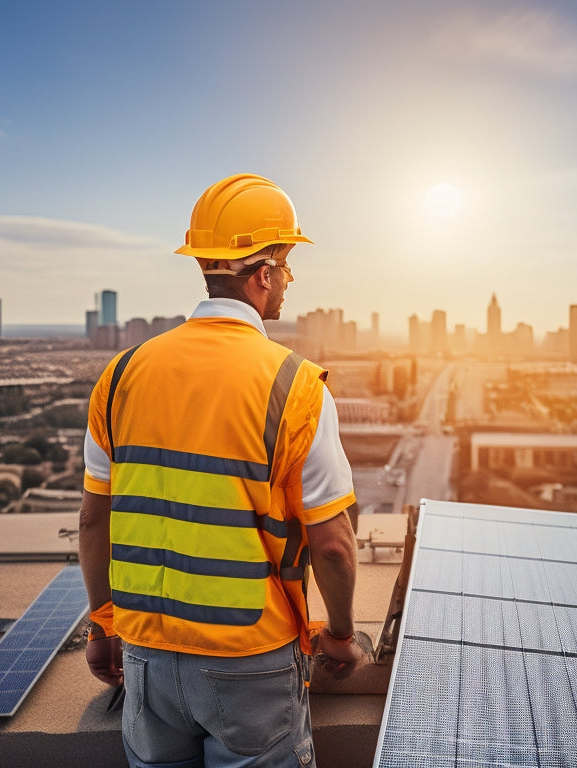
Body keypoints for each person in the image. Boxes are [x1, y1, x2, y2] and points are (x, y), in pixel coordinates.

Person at [79, 173, 367, 768]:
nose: (288, 282)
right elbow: (333, 545)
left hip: (145, 653)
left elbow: (93, 521)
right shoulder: (294, 386)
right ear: (262, 273)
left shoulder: (122, 374)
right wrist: (337, 635)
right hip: (249, 660)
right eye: (286, 266)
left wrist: (104, 625)